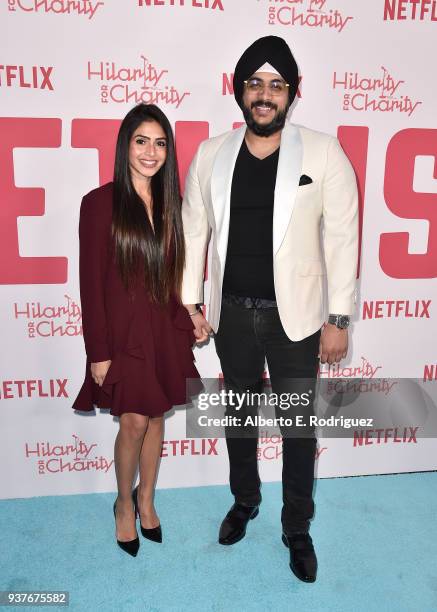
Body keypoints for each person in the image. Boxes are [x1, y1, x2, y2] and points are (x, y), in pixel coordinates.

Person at [181, 36, 358, 582]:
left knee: (298, 428)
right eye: (255, 84)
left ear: (292, 94)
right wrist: (189, 300)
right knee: (238, 419)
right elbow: (194, 231)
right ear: (239, 91)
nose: (265, 95)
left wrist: (339, 317)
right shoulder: (211, 152)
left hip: (299, 320)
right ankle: (245, 500)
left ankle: (297, 526)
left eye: (276, 85)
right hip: (231, 314)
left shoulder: (323, 151)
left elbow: (343, 236)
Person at [73, 103, 199, 557]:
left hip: (165, 329)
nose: (151, 151)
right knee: (133, 421)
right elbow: (91, 286)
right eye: (141, 140)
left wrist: (193, 313)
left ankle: (148, 499)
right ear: (125, 144)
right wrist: (99, 353)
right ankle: (123, 503)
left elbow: (179, 275)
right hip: (122, 337)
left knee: (158, 417)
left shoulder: (175, 205)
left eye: (160, 142)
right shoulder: (98, 203)